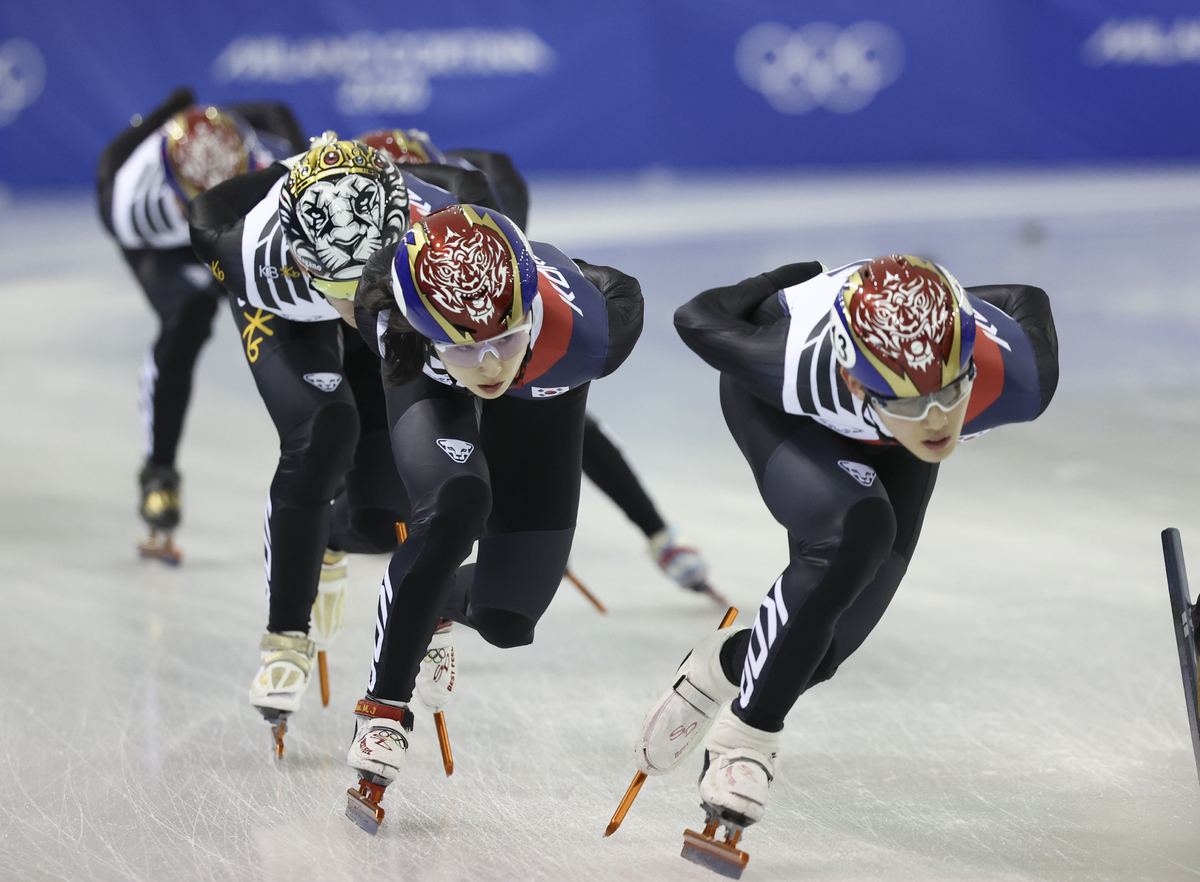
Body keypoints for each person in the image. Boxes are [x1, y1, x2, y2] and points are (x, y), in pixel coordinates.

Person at [629, 255, 1058, 864]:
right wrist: (784, 279)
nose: (937, 421)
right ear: (858, 381)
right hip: (790, 415)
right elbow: (697, 317)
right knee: (858, 533)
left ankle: (718, 668)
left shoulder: (1017, 378)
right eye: (911, 402)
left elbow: (1023, 294)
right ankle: (744, 744)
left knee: (818, 651)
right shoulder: (792, 362)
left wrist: (946, 301)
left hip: (888, 433)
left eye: (950, 390)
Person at [343, 203, 643, 830]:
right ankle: (384, 711)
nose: (488, 365)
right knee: (457, 505)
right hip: (432, 387)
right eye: (464, 348)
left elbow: (620, 285)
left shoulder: (595, 333)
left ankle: (435, 604)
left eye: (502, 340)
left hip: (546, 388)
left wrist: (564, 275)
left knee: (509, 620)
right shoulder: (390, 315)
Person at [188, 133, 474, 756]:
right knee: (324, 431)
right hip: (288, 313)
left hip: (403, 282)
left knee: (381, 517)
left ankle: (332, 546)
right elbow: (203, 211)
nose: (357, 302)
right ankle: (285, 637)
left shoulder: (443, 218)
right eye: (343, 286)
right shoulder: (249, 255)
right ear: (303, 258)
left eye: (367, 281)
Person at [360, 127, 721, 602]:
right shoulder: (367, 247)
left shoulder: (481, 190)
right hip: (416, 321)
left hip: (501, 274)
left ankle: (658, 533)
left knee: (552, 401)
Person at [96, 87, 306, 562]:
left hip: (244, 219)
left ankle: (358, 464)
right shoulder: (130, 205)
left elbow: (278, 110)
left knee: (297, 307)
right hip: (167, 246)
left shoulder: (269, 153)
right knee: (187, 319)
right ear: (174, 195)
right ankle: (159, 473)